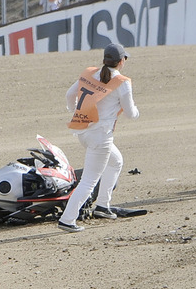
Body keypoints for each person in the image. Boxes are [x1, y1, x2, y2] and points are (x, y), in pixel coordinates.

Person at [58, 43, 139, 233]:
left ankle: (103, 205)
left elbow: (70, 95)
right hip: (101, 136)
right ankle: (67, 219)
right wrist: (137, 112)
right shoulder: (122, 82)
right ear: (121, 61)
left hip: (83, 131)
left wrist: (75, 111)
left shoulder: (89, 73)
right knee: (88, 181)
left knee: (116, 161)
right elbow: (130, 113)